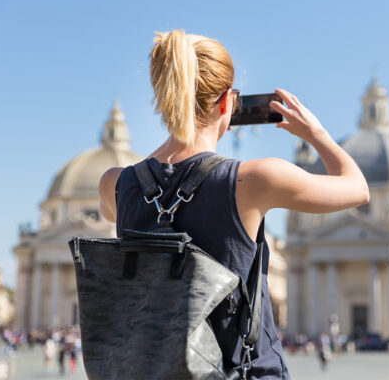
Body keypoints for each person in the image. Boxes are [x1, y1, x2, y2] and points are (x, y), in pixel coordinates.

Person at [99, 29, 369, 379]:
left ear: (164, 97)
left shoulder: (115, 184)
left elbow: (118, 209)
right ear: (227, 103)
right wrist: (316, 135)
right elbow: (357, 188)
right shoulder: (254, 180)